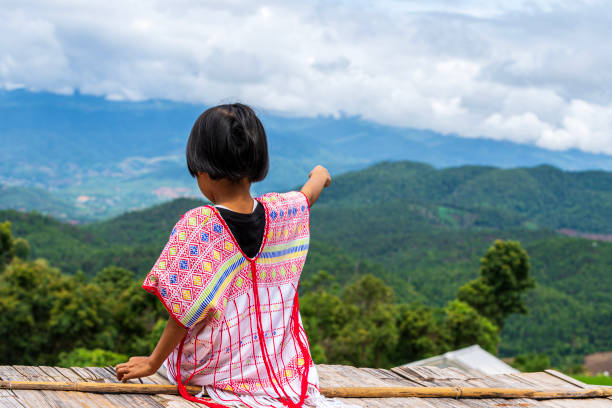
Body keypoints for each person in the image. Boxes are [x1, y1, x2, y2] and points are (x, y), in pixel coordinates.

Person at [115, 103, 332, 408]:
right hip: (278, 371)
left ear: (202, 168)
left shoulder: (202, 227)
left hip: (211, 371)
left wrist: (153, 362)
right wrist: (321, 174)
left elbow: (187, 311)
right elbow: (307, 196)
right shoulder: (280, 212)